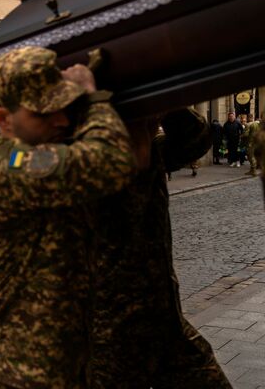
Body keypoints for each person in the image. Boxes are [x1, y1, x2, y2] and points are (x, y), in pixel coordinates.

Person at [0, 46, 135, 388]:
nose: (62, 120)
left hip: (63, 365)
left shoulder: (38, 156)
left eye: (65, 107)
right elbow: (110, 161)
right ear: (3, 120)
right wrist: (94, 98)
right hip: (19, 374)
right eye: (44, 114)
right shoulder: (3, 167)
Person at [88, 108, 232, 388]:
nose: (154, 125)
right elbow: (12, 162)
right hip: (106, 340)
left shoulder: (154, 154)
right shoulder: (70, 160)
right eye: (145, 119)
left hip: (165, 325)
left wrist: (167, 104)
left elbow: (199, 138)